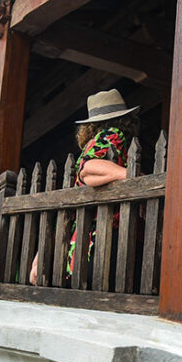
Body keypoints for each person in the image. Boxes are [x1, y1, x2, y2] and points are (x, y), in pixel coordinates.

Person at [29, 89, 139, 284]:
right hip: (103, 235)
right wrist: (132, 177)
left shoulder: (92, 144)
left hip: (81, 240)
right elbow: (88, 168)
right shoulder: (112, 134)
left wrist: (40, 256)